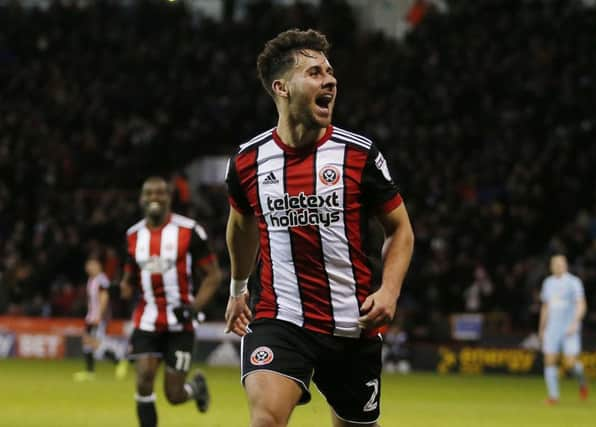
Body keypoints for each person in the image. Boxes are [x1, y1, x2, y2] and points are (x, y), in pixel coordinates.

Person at [224, 29, 414, 427]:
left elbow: (400, 230)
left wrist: (390, 291)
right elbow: (241, 226)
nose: (330, 79)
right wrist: (239, 288)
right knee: (266, 421)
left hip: (352, 324)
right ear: (282, 87)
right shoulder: (247, 162)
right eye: (314, 72)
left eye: (330, 71)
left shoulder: (358, 154)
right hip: (280, 317)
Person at [120, 176, 223, 427]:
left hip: (180, 324)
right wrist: (122, 287)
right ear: (141, 199)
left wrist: (194, 308)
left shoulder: (189, 231)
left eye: (160, 193)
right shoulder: (133, 235)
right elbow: (129, 276)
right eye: (149, 193)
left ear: (169, 198)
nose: (154, 198)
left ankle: (195, 388)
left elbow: (213, 275)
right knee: (144, 378)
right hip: (147, 320)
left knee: (174, 395)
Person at [538, 254, 588, 404]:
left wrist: (575, 322)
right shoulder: (548, 283)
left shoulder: (574, 282)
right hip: (552, 328)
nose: (558, 266)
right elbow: (546, 306)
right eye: (555, 264)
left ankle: (582, 382)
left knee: (570, 363)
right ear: (551, 266)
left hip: (569, 328)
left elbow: (581, 304)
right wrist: (541, 328)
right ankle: (554, 397)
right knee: (549, 360)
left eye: (561, 264)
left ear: (566, 265)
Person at [73, 254, 129, 381]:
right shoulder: (91, 280)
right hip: (91, 316)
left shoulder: (101, 280)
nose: (88, 268)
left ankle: (119, 361)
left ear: (98, 266)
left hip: (98, 317)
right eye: (87, 266)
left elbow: (104, 297)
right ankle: (90, 371)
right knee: (87, 341)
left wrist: (99, 315)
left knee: (94, 342)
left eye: (91, 265)